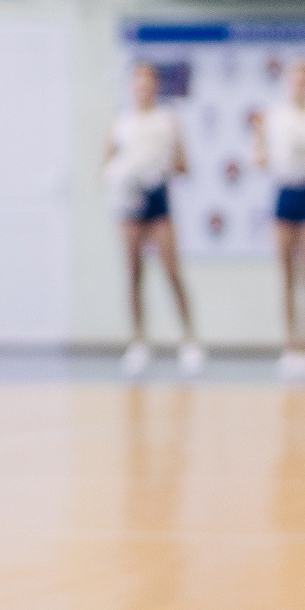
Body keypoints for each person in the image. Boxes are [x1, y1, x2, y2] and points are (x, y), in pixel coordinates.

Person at [106, 62, 201, 380]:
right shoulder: (121, 122)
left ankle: (188, 339)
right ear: (131, 86)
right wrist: (124, 172)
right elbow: (105, 165)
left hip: (158, 198)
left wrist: (162, 167)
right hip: (130, 202)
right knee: (133, 273)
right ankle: (138, 341)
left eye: (148, 82)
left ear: (156, 86)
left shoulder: (167, 121)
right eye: (137, 82)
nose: (143, 88)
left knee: (172, 270)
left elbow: (184, 164)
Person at [253, 56, 305, 380]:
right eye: (295, 76)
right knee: (286, 274)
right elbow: (259, 156)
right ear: (288, 80)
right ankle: (290, 344)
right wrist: (271, 156)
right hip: (284, 193)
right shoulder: (273, 116)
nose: (300, 82)